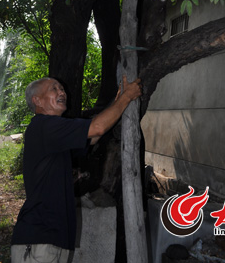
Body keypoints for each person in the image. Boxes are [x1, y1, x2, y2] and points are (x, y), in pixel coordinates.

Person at [11, 75, 141, 263]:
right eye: (54, 89)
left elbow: (92, 136)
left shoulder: (54, 135)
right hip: (39, 238)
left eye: (62, 88)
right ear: (37, 100)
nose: (62, 91)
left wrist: (117, 101)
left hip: (53, 239)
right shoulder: (43, 125)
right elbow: (97, 128)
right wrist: (126, 98)